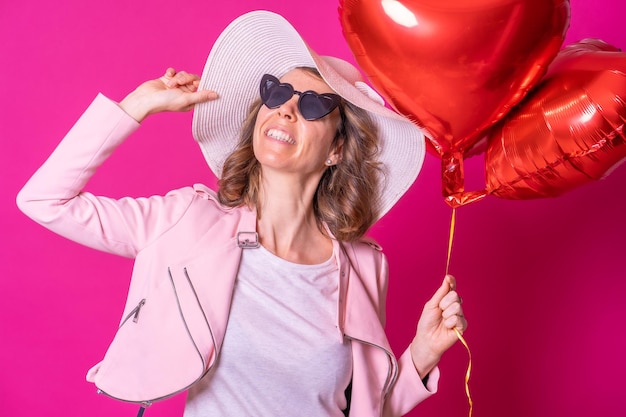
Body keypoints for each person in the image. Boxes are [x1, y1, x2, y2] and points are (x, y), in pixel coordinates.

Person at [17, 10, 466, 417]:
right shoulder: (190, 220)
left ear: (336, 150)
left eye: (313, 105)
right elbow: (43, 200)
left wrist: (421, 355)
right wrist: (136, 105)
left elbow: (366, 409)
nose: (287, 109)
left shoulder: (365, 266)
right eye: (278, 92)